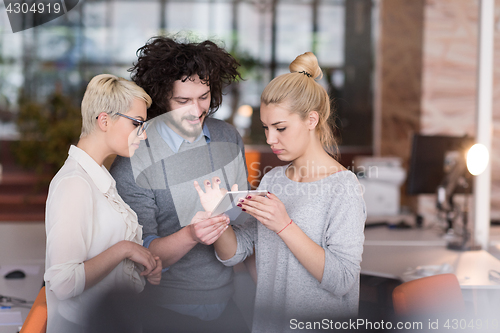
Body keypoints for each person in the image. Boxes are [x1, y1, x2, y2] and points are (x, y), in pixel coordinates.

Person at [198, 52, 366, 332]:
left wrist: (284, 225)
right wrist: (215, 218)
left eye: (280, 128)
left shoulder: (343, 187)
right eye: (266, 128)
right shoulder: (273, 180)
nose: (270, 139)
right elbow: (236, 253)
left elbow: (342, 280)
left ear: (311, 120)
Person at [110, 36, 250, 333]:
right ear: (162, 99)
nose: (197, 110)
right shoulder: (135, 156)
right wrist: (191, 234)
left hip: (227, 304)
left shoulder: (227, 137)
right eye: (182, 101)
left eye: (204, 96)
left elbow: (242, 220)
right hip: (164, 311)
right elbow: (140, 256)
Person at [44, 74, 162, 332]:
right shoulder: (75, 183)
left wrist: (140, 261)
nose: (143, 135)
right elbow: (63, 283)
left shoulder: (98, 177)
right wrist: (124, 249)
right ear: (105, 120)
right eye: (137, 124)